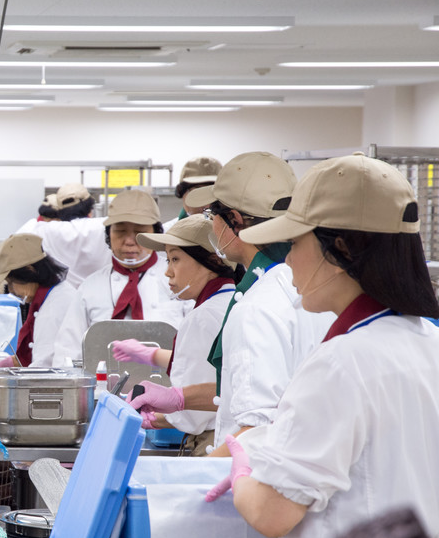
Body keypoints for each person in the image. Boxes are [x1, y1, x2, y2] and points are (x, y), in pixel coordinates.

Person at [203, 153, 439, 538]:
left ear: (343, 248)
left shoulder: (344, 361)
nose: (288, 260)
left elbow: (273, 513)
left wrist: (245, 465)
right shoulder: (428, 341)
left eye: (295, 242)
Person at [130, 152, 333, 452]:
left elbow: (255, 431)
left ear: (234, 222)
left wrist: (197, 477)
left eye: (212, 217)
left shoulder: (255, 306)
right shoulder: (310, 287)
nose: (210, 227)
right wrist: (180, 398)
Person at [109, 214, 238, 455]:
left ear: (210, 260)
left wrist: (153, 417)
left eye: (175, 259)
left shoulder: (203, 316)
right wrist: (150, 355)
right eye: (167, 260)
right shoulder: (229, 301)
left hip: (212, 443)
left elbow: (193, 416)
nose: (168, 272)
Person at [52, 189, 190, 367]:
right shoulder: (90, 287)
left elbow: (194, 344)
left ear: (156, 233)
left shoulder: (179, 278)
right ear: (108, 235)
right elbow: (67, 350)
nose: (129, 241)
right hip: (102, 389)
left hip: (171, 387)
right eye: (120, 231)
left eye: (139, 232)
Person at [0, 233, 78, 367]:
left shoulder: (55, 307)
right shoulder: (52, 296)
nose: (11, 290)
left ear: (30, 270)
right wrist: (12, 362)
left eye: (11, 282)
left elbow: (43, 367)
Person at [16, 183, 111, 288]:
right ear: (90, 210)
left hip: (64, 298)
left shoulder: (46, 230)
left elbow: (14, 241)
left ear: (60, 211)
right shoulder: (105, 226)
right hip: (102, 296)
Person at [163, 156, 223, 229]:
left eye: (213, 196)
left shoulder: (236, 234)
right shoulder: (167, 232)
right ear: (182, 192)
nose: (207, 205)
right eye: (199, 194)